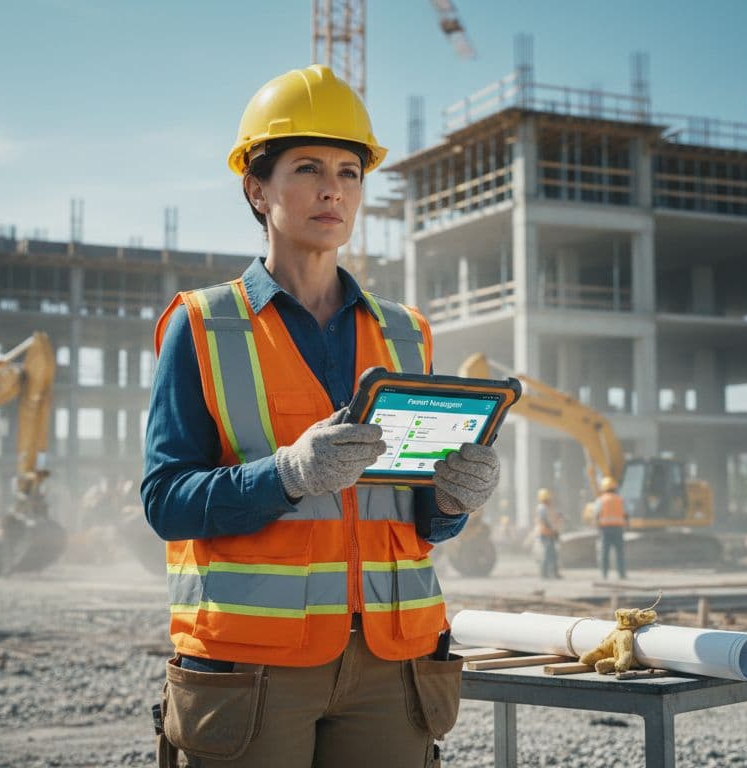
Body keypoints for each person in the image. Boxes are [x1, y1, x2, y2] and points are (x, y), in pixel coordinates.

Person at [141, 65, 501, 768]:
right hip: (254, 667)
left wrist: (454, 502)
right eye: (307, 168)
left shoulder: (407, 333)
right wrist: (287, 474)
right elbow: (165, 502)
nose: (333, 188)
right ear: (257, 188)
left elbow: (410, 514)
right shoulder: (204, 325)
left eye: (350, 171)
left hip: (394, 663)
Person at [595, 476, 627, 580]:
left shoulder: (601, 500)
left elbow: (597, 514)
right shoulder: (619, 499)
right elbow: (625, 514)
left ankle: (604, 574)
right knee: (620, 553)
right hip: (618, 528)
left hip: (606, 529)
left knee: (605, 553)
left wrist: (597, 526)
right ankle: (622, 574)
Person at [534, 487, 562, 579]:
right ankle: (546, 573)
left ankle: (552, 573)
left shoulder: (544, 507)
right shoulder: (542, 508)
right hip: (546, 534)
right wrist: (554, 530)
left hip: (548, 533)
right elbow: (546, 521)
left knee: (552, 554)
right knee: (548, 554)